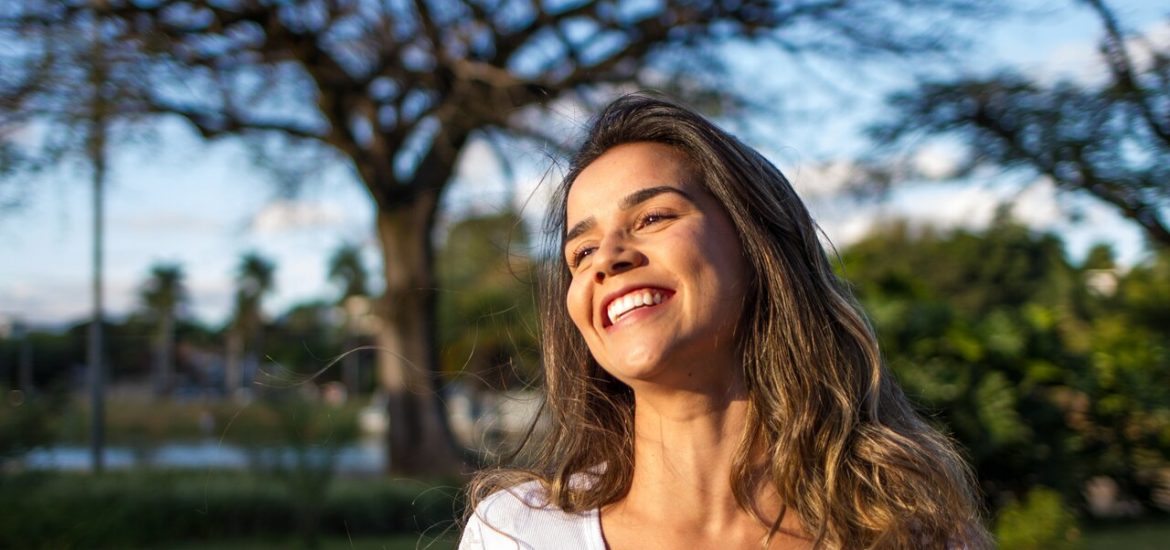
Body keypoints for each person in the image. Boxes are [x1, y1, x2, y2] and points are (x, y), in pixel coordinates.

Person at [460, 94, 991, 549]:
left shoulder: (907, 535)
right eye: (582, 251)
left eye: (652, 218)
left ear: (757, 247)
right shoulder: (515, 534)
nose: (608, 259)